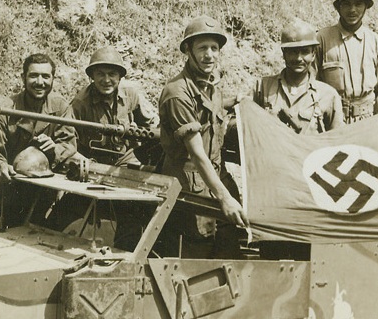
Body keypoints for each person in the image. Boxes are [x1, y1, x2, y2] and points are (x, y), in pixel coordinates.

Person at [0, 53, 88, 233]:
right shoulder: (5, 109)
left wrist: (54, 149)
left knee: (29, 240)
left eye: (45, 76)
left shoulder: (60, 108)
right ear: (23, 77)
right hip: (2, 187)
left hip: (38, 190)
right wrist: (1, 167)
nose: (40, 82)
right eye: (33, 75)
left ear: (53, 78)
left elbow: (68, 144)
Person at [155, 17, 247, 257]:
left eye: (214, 49)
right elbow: (196, 153)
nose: (209, 55)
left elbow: (209, 111)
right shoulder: (177, 92)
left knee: (228, 246)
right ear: (188, 51)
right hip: (189, 187)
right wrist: (224, 198)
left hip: (216, 176)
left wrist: (233, 102)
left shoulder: (209, 84)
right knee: (195, 256)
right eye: (202, 48)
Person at [316, 0, 378, 123]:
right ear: (338, 7)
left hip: (367, 119)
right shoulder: (322, 39)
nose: (352, 10)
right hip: (331, 118)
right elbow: (310, 84)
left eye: (358, 4)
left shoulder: (377, 43)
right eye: (346, 4)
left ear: (366, 7)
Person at [70, 47, 159, 167]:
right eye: (100, 74)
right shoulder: (80, 103)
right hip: (93, 162)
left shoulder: (130, 96)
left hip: (126, 159)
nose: (106, 80)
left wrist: (138, 134)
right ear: (92, 76)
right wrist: (84, 162)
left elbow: (152, 126)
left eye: (112, 74)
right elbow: (68, 141)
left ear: (120, 77)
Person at [252, 21, 342, 133]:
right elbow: (242, 120)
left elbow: (337, 138)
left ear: (313, 54)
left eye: (305, 52)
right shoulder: (263, 87)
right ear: (284, 53)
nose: (298, 58)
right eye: (292, 52)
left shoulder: (328, 95)